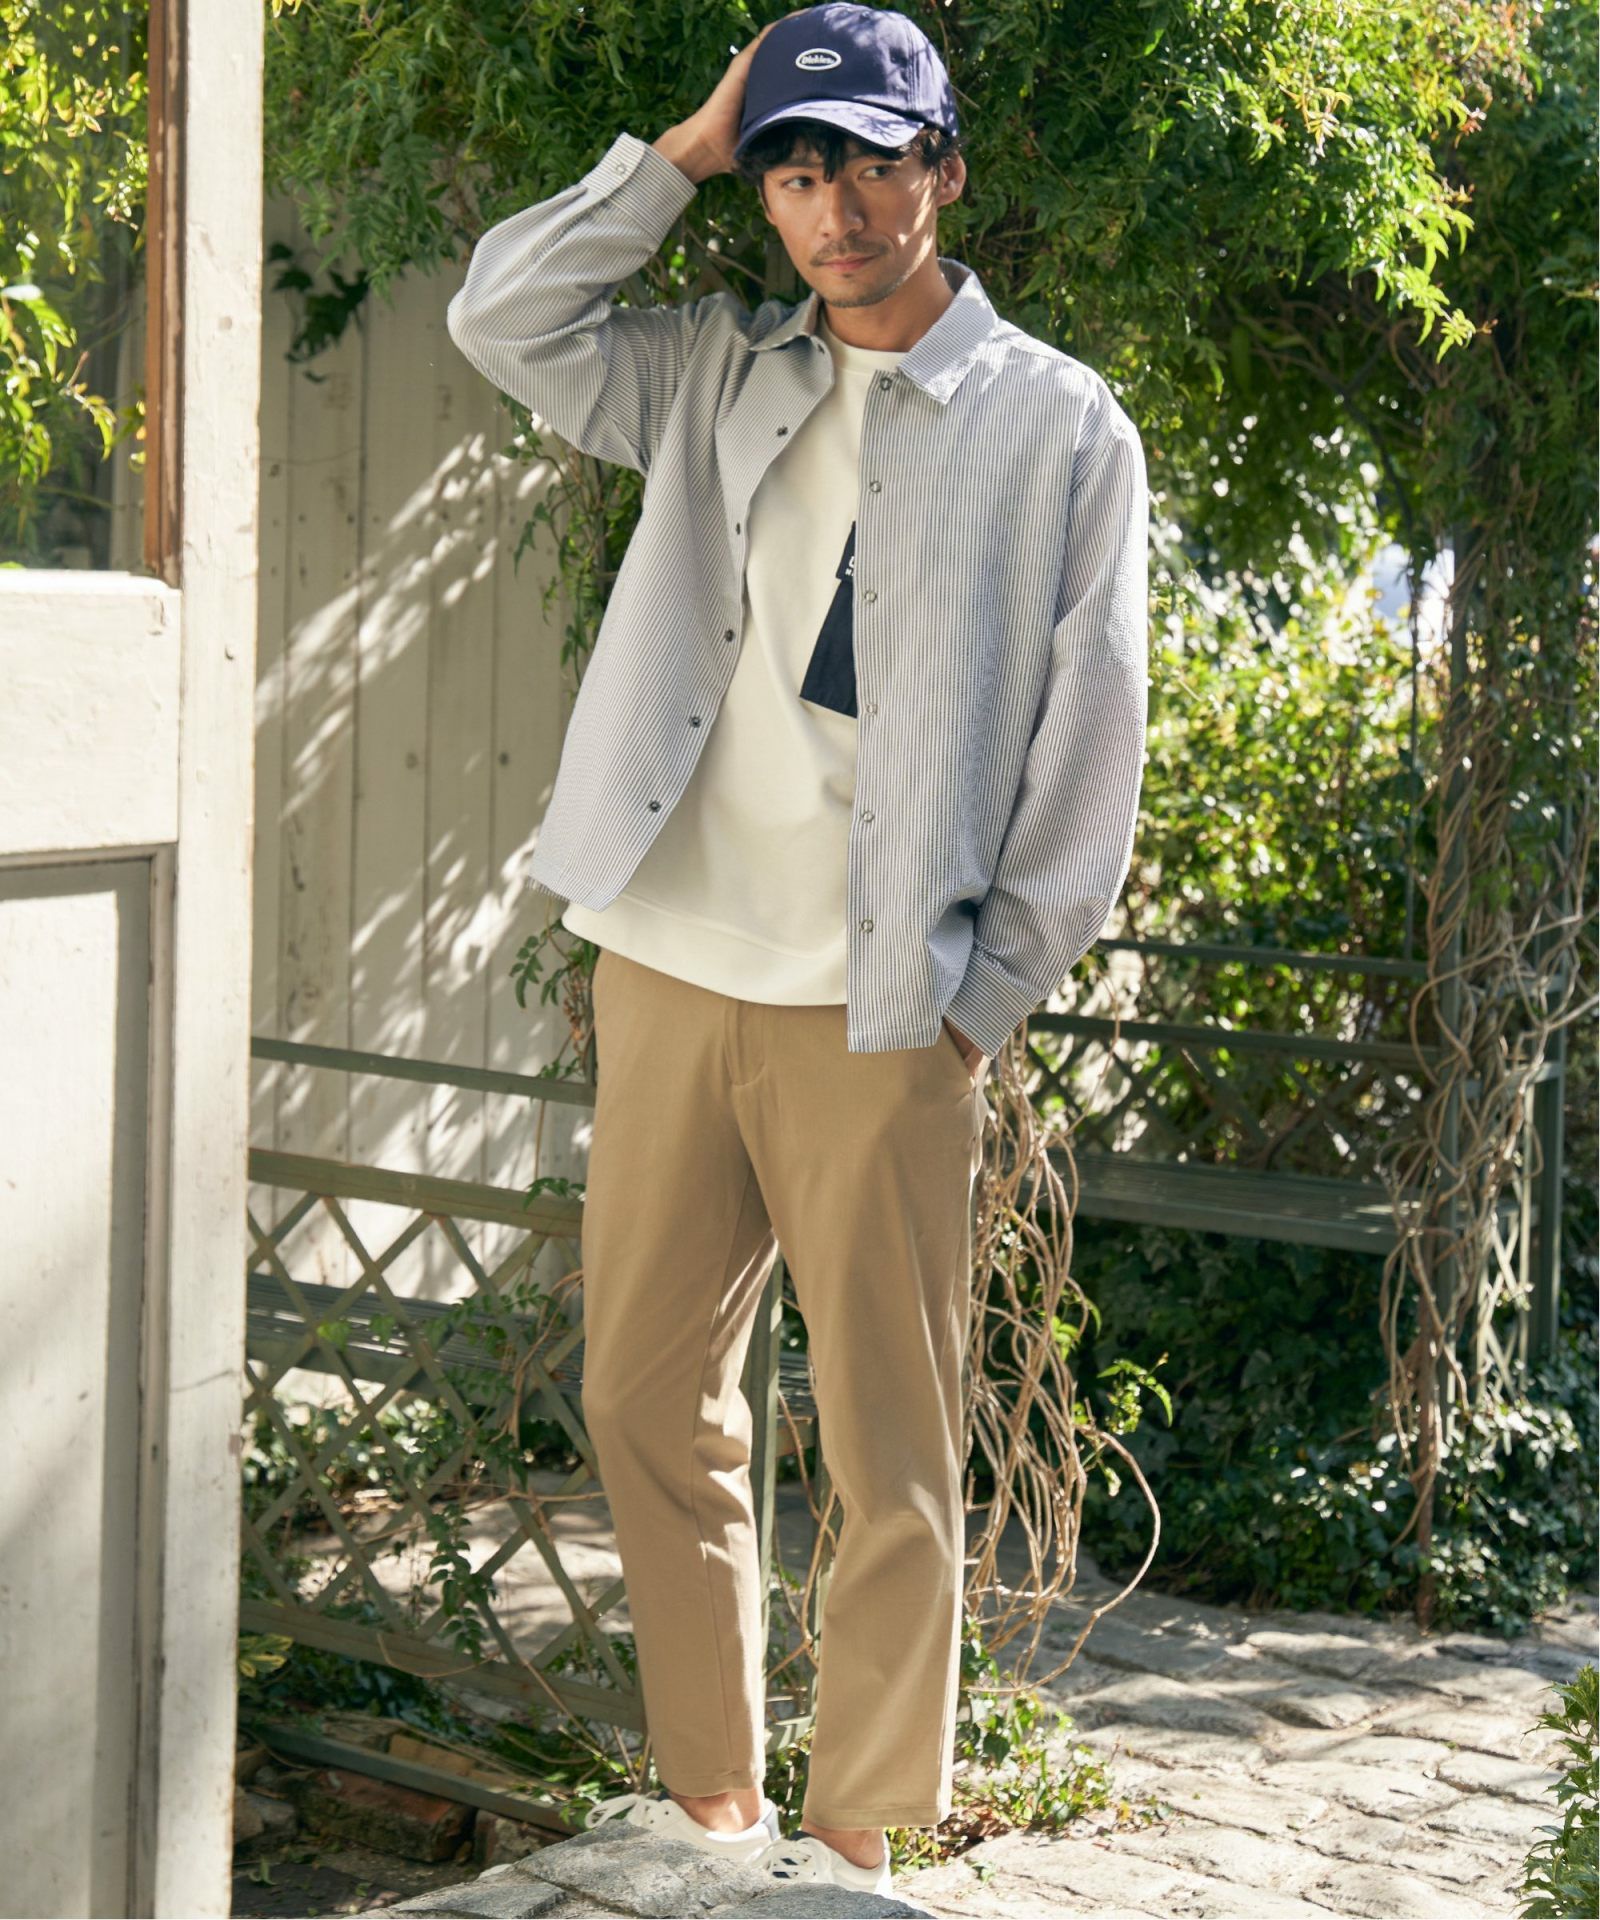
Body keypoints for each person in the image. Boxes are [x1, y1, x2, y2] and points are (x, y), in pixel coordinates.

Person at [444, 1, 1149, 1894]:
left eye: (870, 165)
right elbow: (502, 316)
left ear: (947, 173)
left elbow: (1094, 746)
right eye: (794, 172)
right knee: (638, 1391)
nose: (834, 209)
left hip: (881, 1000)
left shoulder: (1057, 426)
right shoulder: (710, 371)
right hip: (670, 955)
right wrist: (680, 152)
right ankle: (714, 1808)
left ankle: (855, 1840)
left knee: (890, 1439)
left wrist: (978, 1001)